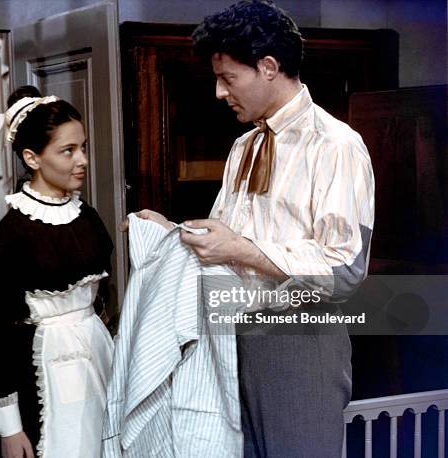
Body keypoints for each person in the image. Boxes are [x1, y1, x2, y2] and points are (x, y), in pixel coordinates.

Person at [136, 1, 375, 456]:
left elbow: (344, 269)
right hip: (232, 335)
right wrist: (172, 234)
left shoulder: (336, 146)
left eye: (228, 78)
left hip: (298, 343)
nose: (219, 93)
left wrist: (241, 250)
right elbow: (229, 241)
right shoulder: (244, 146)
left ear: (268, 67)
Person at [0, 90, 114, 458]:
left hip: (97, 362)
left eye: (83, 147)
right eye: (68, 151)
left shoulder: (87, 217)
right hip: (39, 376)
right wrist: (10, 429)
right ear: (32, 157)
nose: (83, 160)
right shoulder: (8, 233)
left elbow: (103, 302)